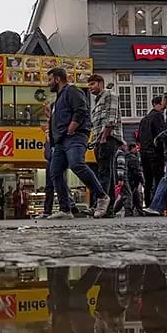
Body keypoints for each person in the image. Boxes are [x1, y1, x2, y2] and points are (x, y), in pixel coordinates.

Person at [46, 67, 110, 219]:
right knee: (55, 172)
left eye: (49, 79)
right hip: (61, 141)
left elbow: (81, 109)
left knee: (76, 164)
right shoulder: (59, 98)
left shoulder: (71, 90)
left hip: (75, 136)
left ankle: (102, 197)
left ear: (57, 79)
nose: (48, 84)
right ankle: (65, 209)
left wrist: (72, 127)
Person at [87, 74, 123, 213]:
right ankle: (109, 208)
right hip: (99, 140)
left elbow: (111, 118)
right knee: (109, 172)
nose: (90, 88)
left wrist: (104, 137)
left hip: (107, 139)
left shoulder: (109, 95)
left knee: (104, 172)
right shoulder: (98, 100)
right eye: (89, 85)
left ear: (101, 83)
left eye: (93, 84)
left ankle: (100, 205)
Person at [137, 95, 167, 207]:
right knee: (159, 179)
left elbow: (139, 137)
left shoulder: (144, 119)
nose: (164, 108)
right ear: (157, 104)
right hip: (155, 153)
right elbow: (161, 135)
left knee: (148, 181)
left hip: (144, 153)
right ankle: (156, 204)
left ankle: (148, 204)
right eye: (162, 104)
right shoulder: (158, 117)